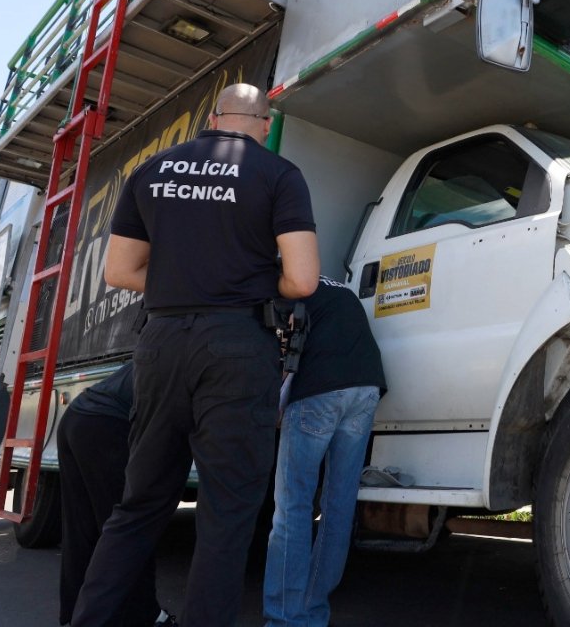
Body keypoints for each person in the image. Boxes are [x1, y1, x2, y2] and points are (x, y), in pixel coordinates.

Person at [72, 83, 320, 627]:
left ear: (212, 118)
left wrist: (184, 281)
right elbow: (302, 280)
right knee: (227, 513)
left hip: (160, 344)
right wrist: (244, 284)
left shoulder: (152, 170)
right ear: (263, 122)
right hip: (237, 347)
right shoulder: (279, 175)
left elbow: (119, 271)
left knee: (138, 506)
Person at [263, 276, 387, 627]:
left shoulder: (279, 284)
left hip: (319, 389)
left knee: (293, 509)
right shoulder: (333, 287)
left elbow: (275, 348)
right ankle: (313, 612)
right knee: (338, 507)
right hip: (366, 387)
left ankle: (286, 620)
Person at [57, 363, 173, 626]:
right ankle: (146, 616)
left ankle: (75, 613)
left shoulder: (166, 339)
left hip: (77, 415)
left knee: (82, 530)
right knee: (131, 528)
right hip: (107, 423)